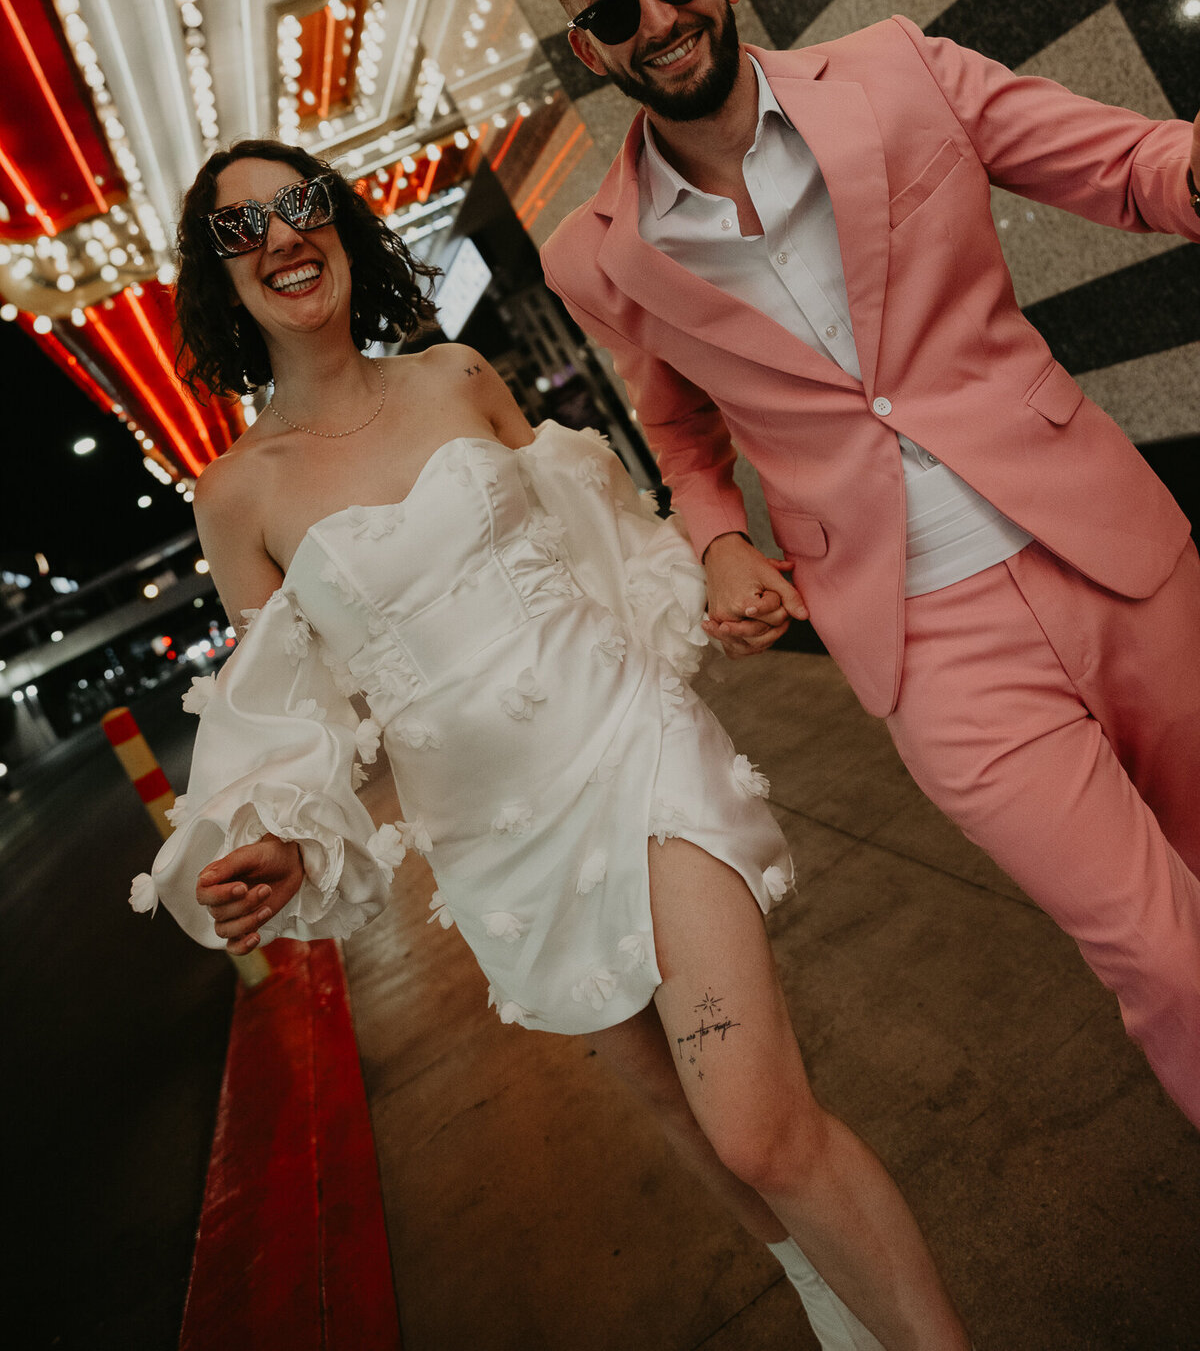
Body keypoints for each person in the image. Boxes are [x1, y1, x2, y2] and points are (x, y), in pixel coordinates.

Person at [131, 140, 972, 1351]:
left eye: (300, 205)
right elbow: (294, 707)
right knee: (688, 1129)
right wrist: (275, 837)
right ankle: (836, 1304)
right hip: (492, 847)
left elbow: (600, 533)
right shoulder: (236, 496)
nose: (279, 236)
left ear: (341, 225)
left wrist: (705, 584)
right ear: (216, 276)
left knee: (749, 1123)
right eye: (240, 228)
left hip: (629, 747)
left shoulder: (460, 376)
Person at [533, 0, 1200, 1129]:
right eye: (616, 9)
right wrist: (721, 539)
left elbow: (1123, 165)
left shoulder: (898, 71)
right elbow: (677, 430)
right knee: (1158, 949)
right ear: (587, 45)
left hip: (1112, 549)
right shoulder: (598, 254)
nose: (658, 19)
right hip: (925, 637)